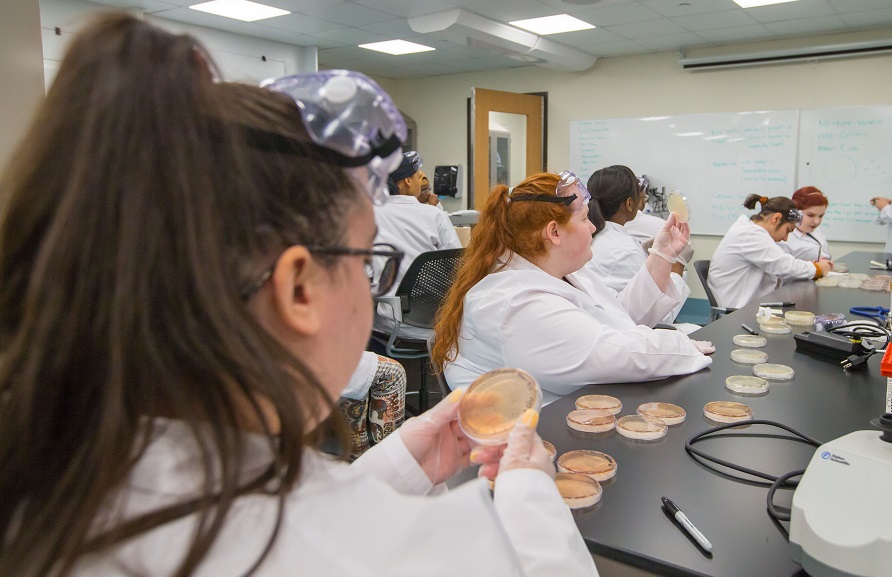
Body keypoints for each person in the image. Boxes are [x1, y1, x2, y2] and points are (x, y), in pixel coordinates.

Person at [0, 14, 595, 577]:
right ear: (299, 289)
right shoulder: (411, 553)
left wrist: (390, 472)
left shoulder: (57, 485)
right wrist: (530, 494)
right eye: (368, 262)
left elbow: (298, 517)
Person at [431, 171, 714, 405]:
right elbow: (615, 354)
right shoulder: (518, 304)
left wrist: (662, 255)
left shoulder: (565, 272)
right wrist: (682, 344)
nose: (593, 228)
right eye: (584, 219)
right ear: (554, 232)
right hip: (517, 449)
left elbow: (620, 317)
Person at [709, 195, 833, 309]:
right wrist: (818, 269)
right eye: (788, 230)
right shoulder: (750, 234)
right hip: (736, 314)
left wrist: (809, 267)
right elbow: (784, 266)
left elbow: (780, 266)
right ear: (776, 218)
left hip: (750, 307)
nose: (785, 238)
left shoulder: (751, 231)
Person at [376, 150, 461, 301]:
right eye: (417, 176)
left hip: (380, 315)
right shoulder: (434, 215)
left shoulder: (368, 215)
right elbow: (456, 264)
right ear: (408, 181)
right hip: (427, 313)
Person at [780, 186, 831, 261]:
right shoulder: (782, 236)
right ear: (795, 212)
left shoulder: (815, 230)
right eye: (810, 215)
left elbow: (824, 255)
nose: (817, 222)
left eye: (821, 216)